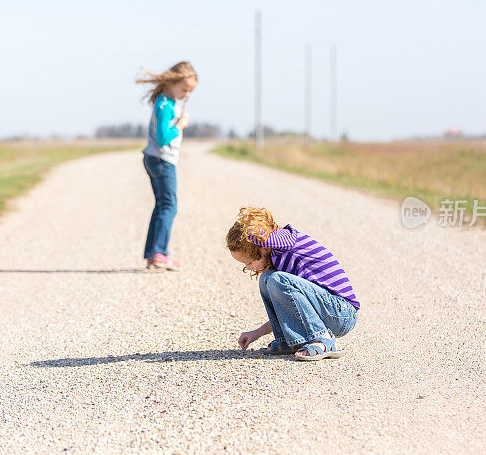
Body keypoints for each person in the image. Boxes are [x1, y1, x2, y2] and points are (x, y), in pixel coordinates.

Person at [226, 207, 360, 361]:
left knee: (277, 279)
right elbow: (293, 308)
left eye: (249, 262)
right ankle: (289, 340)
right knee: (266, 279)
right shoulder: (277, 260)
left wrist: (249, 234)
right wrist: (258, 332)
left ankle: (324, 339)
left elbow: (272, 239)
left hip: (342, 313)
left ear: (265, 247)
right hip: (327, 311)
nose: (248, 268)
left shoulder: (287, 239)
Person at [136, 61, 197, 271]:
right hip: (162, 160)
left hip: (155, 159)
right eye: (184, 89)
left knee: (161, 205)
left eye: (190, 91)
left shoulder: (165, 102)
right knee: (169, 206)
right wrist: (180, 125)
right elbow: (163, 138)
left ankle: (153, 254)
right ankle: (160, 253)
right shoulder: (165, 104)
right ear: (172, 82)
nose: (186, 94)